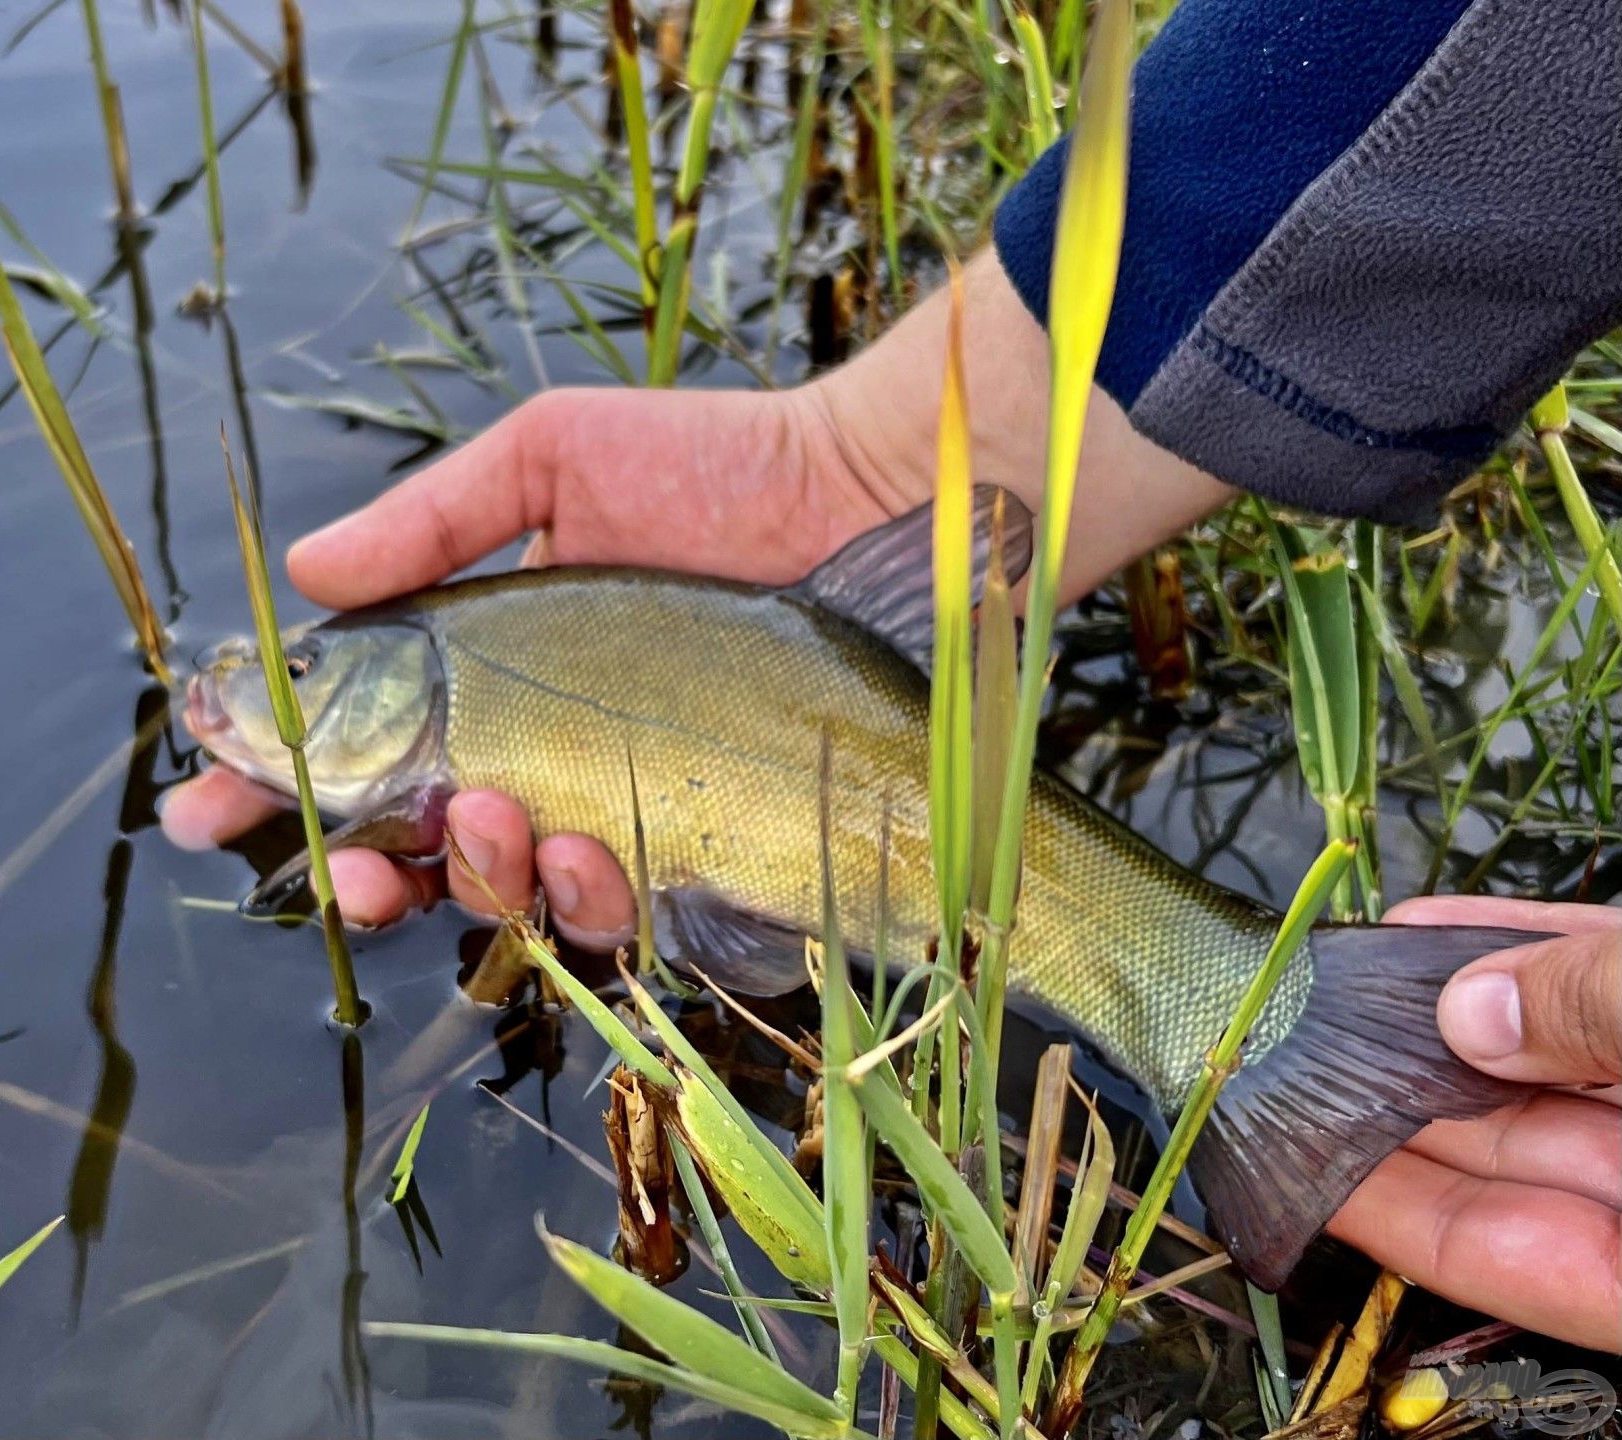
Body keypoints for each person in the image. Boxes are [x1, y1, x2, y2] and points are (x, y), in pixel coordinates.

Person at [165, 0, 1622, 1351]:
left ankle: (1219, 1003)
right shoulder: (485, 667)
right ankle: (1228, 1023)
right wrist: (851, 455)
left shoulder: (479, 658)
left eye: (300, 668)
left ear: (395, 679)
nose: (265, 692)